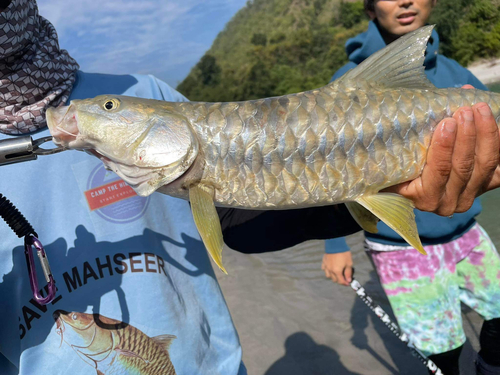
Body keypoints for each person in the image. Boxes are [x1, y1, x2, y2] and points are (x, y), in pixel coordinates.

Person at [0, 0, 498, 374]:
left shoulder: (146, 94)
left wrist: (391, 187)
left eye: (111, 110)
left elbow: (240, 224)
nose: (100, 112)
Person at [322, 1, 500, 374]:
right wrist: (336, 245)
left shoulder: (456, 72)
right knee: (443, 351)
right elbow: (320, 167)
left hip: (467, 232)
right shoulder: (344, 86)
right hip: (399, 247)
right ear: (370, 9)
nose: (404, 0)